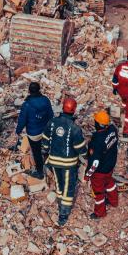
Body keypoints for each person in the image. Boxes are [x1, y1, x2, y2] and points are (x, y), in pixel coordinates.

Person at [42, 97, 87, 226]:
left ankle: (59, 201)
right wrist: (86, 155)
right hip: (69, 163)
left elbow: (45, 139)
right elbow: (80, 148)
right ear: (74, 110)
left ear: (63, 108)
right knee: (69, 187)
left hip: (54, 161)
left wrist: (46, 151)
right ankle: (63, 214)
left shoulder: (52, 122)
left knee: (59, 182)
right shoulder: (75, 128)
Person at [13, 82, 54, 179]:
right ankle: (51, 166)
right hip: (45, 131)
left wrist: (18, 131)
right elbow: (51, 115)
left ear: (29, 91)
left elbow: (22, 120)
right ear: (39, 89)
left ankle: (40, 173)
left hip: (34, 134)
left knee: (36, 152)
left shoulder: (26, 104)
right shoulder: (45, 100)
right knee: (48, 147)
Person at [84, 110, 119, 219]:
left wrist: (87, 175)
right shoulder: (113, 129)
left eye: (95, 121)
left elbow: (95, 163)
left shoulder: (97, 141)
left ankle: (100, 213)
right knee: (109, 183)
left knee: (98, 192)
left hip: (100, 172)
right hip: (110, 165)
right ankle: (114, 201)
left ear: (98, 124)